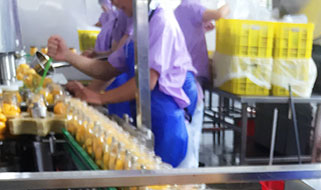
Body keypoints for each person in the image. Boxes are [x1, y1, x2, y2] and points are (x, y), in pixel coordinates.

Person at [47, 0, 199, 168]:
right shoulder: (140, 25)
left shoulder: (162, 21)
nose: (113, 2)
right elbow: (108, 69)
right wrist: (68, 55)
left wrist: (99, 97)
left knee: (163, 180)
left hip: (166, 127)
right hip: (145, 121)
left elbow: (147, 80)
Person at [174, 1, 229, 166]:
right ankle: (191, 170)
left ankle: (185, 167)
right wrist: (228, 5)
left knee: (185, 127)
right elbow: (219, 14)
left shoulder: (178, 10)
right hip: (190, 79)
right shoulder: (192, 6)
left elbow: (187, 36)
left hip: (181, 77)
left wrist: (202, 28)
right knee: (192, 127)